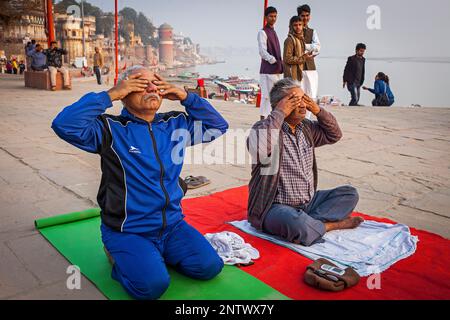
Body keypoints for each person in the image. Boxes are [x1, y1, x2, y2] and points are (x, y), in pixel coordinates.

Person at [51, 66, 228, 300]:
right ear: (126, 92)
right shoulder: (110, 130)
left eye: (156, 83)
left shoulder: (175, 125)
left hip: (172, 226)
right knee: (152, 287)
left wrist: (187, 97)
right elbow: (64, 124)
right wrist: (110, 94)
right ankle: (119, 258)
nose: (152, 87)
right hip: (129, 230)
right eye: (141, 84)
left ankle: (154, 256)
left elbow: (218, 126)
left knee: (209, 267)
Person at [247, 78, 362, 247]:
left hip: (308, 203)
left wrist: (317, 110)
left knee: (350, 194)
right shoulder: (262, 128)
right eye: (295, 101)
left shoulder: (306, 128)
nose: (303, 105)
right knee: (293, 221)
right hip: (274, 208)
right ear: (281, 104)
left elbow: (334, 134)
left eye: (305, 100)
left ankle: (310, 224)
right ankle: (329, 225)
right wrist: (279, 113)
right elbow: (261, 147)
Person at [258, 6, 284, 120]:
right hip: (267, 70)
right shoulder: (262, 32)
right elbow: (262, 51)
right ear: (266, 17)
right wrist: (272, 60)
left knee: (274, 96)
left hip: (276, 70)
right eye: (271, 16)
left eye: (275, 16)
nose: (273, 18)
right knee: (266, 97)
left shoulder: (273, 31)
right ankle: (262, 120)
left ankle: (270, 120)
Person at [297, 4, 321, 119]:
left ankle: (307, 120)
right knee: (299, 96)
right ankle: (299, 120)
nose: (305, 18)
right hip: (298, 69)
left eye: (307, 15)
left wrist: (305, 47)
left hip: (311, 68)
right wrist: (311, 48)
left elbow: (318, 47)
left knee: (311, 96)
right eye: (302, 16)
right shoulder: (293, 31)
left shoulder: (313, 31)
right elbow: (294, 48)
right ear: (299, 16)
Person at [283, 16, 313, 82]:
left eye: (300, 25)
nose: (298, 27)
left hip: (298, 75)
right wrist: (304, 58)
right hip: (291, 77)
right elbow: (287, 58)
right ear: (291, 27)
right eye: (295, 25)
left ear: (302, 26)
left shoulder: (301, 39)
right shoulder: (289, 40)